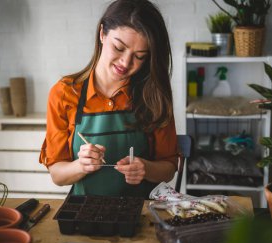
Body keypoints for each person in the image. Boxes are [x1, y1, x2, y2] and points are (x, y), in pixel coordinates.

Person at [39, 0, 178, 199]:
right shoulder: (64, 93)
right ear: (102, 33)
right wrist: (81, 166)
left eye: (139, 56)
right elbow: (58, 176)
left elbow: (169, 167)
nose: (126, 63)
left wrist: (146, 168)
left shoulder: (153, 95)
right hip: (84, 213)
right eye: (119, 48)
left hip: (139, 215)